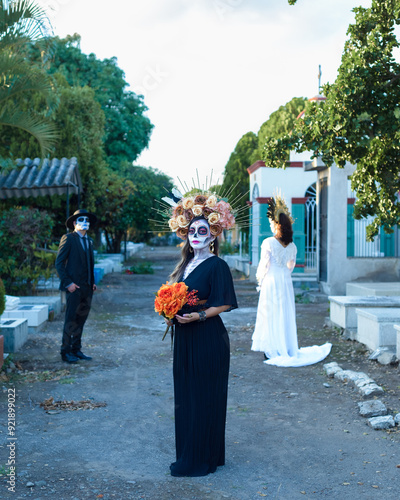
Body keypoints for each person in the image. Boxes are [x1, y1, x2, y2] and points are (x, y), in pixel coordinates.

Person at [163, 192, 238, 477]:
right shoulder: (184, 265)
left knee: (204, 395)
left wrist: (199, 315)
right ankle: (191, 451)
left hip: (207, 337)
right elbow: (179, 297)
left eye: (202, 231)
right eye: (192, 231)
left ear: (212, 236)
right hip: (184, 338)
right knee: (186, 395)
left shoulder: (217, 265)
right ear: (187, 234)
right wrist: (170, 314)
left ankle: (202, 458)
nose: (196, 235)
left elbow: (225, 302)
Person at [251, 194, 331, 367]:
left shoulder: (268, 242)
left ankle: (271, 348)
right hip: (285, 281)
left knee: (270, 313)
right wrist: (283, 274)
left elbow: (263, 265)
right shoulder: (293, 246)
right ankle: (285, 346)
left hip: (271, 281)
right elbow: (291, 265)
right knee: (284, 313)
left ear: (276, 225)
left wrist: (261, 280)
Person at [55, 209, 97, 364]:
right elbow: (59, 263)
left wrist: (92, 281)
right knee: (71, 319)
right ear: (74, 223)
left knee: (81, 319)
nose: (84, 222)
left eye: (87, 220)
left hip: (87, 287)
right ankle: (65, 351)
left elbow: (89, 264)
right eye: (80, 220)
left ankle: (76, 349)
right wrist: (68, 283)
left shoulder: (89, 241)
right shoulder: (68, 238)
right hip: (73, 287)